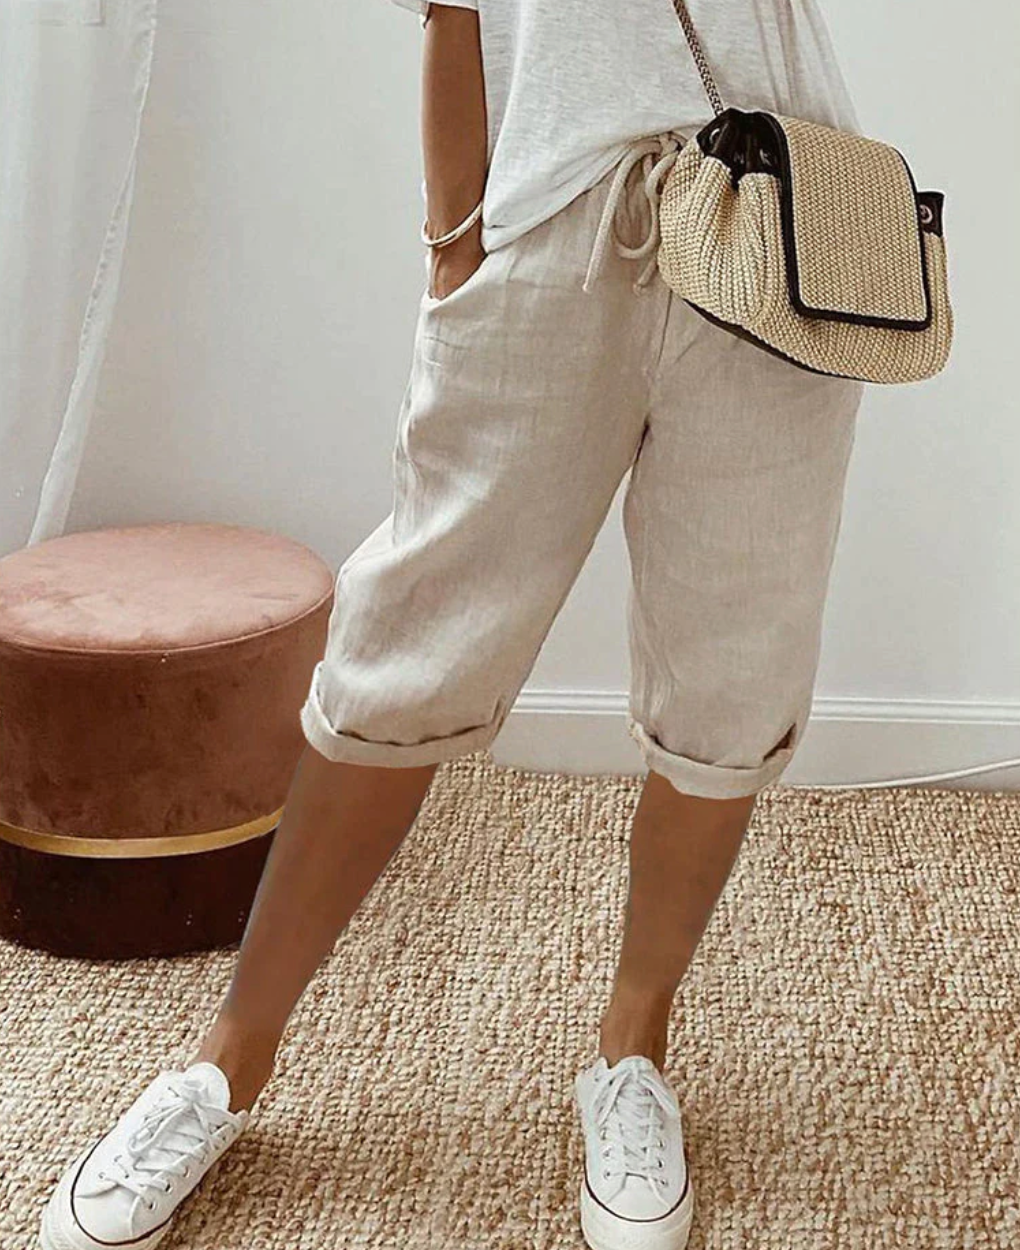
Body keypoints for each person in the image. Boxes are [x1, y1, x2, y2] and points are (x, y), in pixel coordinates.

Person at [40, 3, 865, 1249]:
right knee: (403, 656)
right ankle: (224, 1062)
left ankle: (632, 1051)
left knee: (734, 675)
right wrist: (454, 242)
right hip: (550, 222)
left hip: (777, 213)